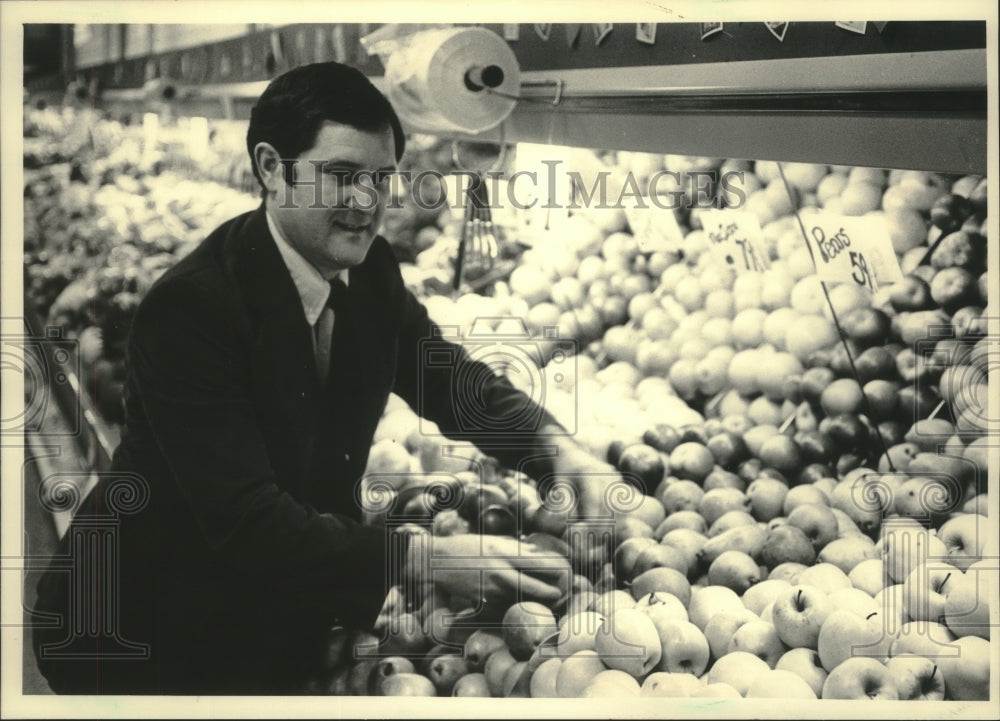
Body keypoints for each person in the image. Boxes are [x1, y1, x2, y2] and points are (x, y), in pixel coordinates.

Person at [32, 61, 619, 695]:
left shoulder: (369, 273)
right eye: (341, 176)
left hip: (272, 613)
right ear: (270, 166)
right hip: (144, 627)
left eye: (382, 179)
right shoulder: (193, 308)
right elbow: (246, 520)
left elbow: (442, 376)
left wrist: (551, 447)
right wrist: (422, 558)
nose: (367, 204)